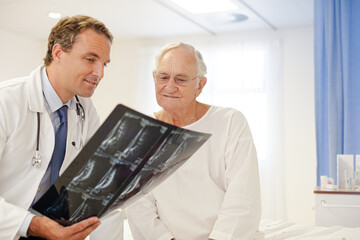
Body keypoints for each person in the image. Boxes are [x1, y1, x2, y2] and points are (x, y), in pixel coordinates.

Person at [0, 15, 123, 240]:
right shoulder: (5, 101)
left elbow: (98, 183)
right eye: (90, 59)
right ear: (58, 53)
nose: (100, 73)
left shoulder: (85, 109)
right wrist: (33, 224)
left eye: (103, 64)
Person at [126, 42, 262, 240]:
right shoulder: (141, 133)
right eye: (163, 77)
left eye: (180, 79)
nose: (169, 86)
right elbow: (138, 206)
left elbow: (243, 196)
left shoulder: (230, 122)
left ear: (200, 85)